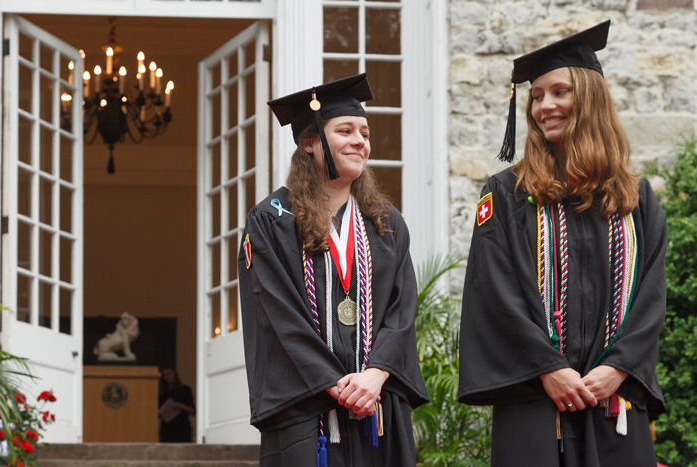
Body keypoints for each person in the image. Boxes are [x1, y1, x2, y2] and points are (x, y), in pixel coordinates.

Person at [457, 20, 667, 466]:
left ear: (589, 99)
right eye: (536, 97)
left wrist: (618, 367)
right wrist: (549, 368)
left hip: (614, 398)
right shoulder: (506, 194)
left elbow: (651, 296)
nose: (544, 106)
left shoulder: (635, 199)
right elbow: (495, 293)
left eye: (559, 92)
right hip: (535, 398)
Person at [238, 73, 428, 467]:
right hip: (305, 411)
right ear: (310, 142)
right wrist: (335, 383)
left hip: (377, 406)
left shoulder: (386, 224)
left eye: (365, 132)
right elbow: (275, 313)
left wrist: (375, 375)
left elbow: (401, 310)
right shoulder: (272, 220)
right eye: (345, 130)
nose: (361, 141)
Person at [158, 367, 195, 443]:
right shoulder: (161, 393)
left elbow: (193, 411)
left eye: (169, 373)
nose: (167, 377)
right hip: (167, 429)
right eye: (164, 375)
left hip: (182, 428)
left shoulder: (185, 389)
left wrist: (180, 406)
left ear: (175, 374)